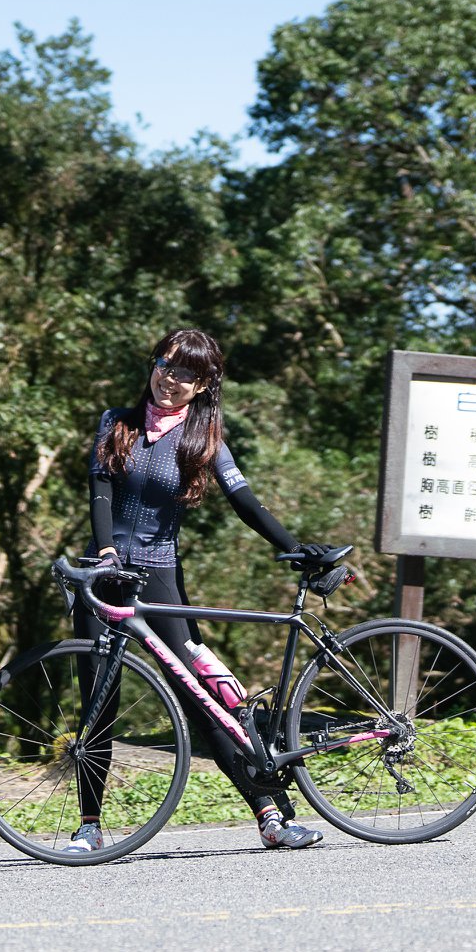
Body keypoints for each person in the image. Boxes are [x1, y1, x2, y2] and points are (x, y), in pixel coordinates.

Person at [68, 327, 332, 853]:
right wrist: (106, 554)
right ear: (153, 365)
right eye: (167, 366)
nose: (173, 380)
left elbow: (245, 502)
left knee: (201, 695)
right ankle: (91, 825)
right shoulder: (114, 424)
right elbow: (100, 494)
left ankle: (269, 815)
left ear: (204, 385)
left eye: (188, 374)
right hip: (105, 572)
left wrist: (295, 547)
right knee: (97, 701)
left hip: (160, 574)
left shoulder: (202, 439)